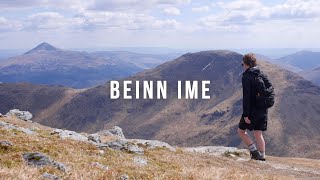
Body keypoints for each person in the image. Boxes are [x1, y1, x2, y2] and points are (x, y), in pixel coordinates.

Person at [237, 53, 270, 161]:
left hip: (252, 110)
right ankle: (262, 157)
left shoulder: (247, 77)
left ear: (246, 64)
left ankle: (255, 152)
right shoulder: (261, 74)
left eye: (242, 64)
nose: (242, 66)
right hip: (263, 109)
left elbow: (247, 97)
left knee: (241, 131)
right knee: (258, 133)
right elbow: (269, 90)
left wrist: (246, 114)